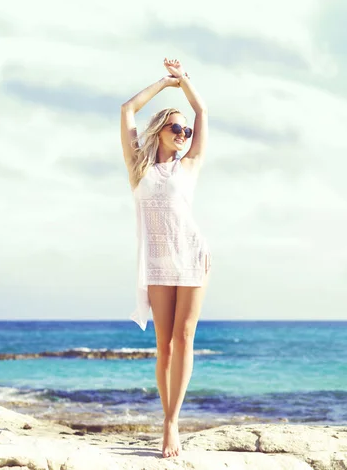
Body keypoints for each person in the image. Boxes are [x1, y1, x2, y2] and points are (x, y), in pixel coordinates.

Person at [120, 57, 211, 458]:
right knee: (164, 346)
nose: (184, 133)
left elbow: (203, 111)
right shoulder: (138, 169)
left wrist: (185, 82)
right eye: (177, 127)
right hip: (157, 261)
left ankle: (172, 423)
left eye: (186, 130)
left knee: (184, 337)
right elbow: (126, 110)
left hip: (192, 256)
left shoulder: (189, 166)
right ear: (160, 131)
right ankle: (167, 421)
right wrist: (164, 83)